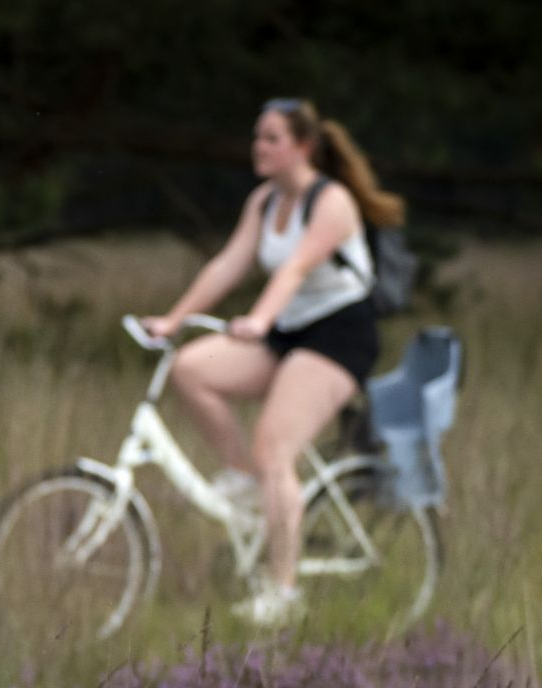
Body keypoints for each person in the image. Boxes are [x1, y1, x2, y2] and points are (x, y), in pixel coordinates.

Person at [141, 97, 405, 627]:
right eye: (257, 137)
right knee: (190, 369)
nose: (258, 147)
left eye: (272, 138)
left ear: (303, 147)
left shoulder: (331, 202)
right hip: (290, 332)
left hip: (339, 337)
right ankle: (246, 480)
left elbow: (295, 269)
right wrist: (173, 319)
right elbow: (228, 265)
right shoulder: (264, 201)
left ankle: (283, 593)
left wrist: (260, 320)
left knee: (275, 448)